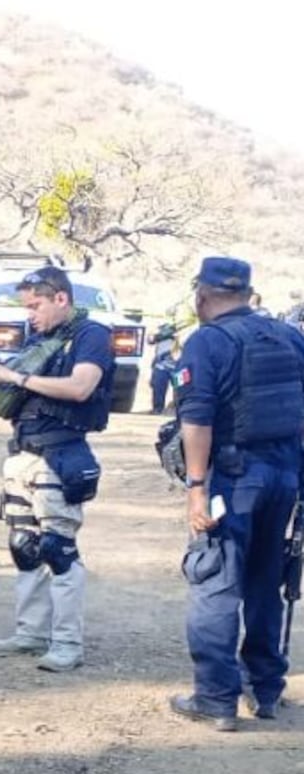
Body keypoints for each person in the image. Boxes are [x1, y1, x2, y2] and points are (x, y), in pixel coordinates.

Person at [168, 256, 304, 732]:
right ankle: (265, 689)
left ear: (201, 295)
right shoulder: (290, 337)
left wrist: (197, 489)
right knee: (267, 582)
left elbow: (197, 419)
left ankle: (216, 698)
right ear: (248, 293)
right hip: (285, 477)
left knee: (215, 580)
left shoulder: (207, 342)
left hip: (232, 478)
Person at [0, 266, 115, 673]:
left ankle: (67, 642)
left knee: (59, 549)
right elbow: (22, 394)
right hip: (23, 452)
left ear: (61, 298)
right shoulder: (40, 339)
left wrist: (14, 375)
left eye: (36, 306)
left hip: (61, 453)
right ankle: (31, 632)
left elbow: (80, 387)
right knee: (24, 545)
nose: (30, 315)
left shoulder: (91, 336)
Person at [149, 321, 178, 414]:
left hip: (178, 366)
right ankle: (157, 408)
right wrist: (161, 336)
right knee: (158, 387)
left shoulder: (184, 331)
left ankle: (177, 409)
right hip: (160, 366)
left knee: (180, 389)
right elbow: (150, 339)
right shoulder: (160, 332)